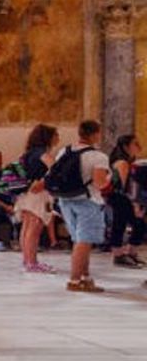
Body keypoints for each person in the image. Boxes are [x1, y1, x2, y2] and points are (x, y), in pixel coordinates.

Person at [51, 120, 113, 293]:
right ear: (95, 134)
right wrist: (110, 178)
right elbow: (100, 183)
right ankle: (74, 280)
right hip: (88, 201)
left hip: (65, 200)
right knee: (84, 242)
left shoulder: (65, 150)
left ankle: (85, 278)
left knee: (80, 240)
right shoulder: (98, 156)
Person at [7, 124, 60, 274]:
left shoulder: (28, 153)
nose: (58, 138)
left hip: (25, 193)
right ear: (48, 137)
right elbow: (55, 169)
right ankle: (32, 262)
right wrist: (46, 181)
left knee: (27, 227)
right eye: (56, 135)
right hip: (37, 194)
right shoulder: (42, 153)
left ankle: (27, 261)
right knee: (34, 228)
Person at [106, 133, 144, 267]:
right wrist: (135, 204)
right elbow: (124, 186)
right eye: (135, 144)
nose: (139, 146)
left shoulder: (127, 161)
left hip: (121, 197)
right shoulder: (122, 163)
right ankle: (119, 254)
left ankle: (129, 253)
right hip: (120, 198)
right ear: (126, 146)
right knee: (122, 224)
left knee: (134, 223)